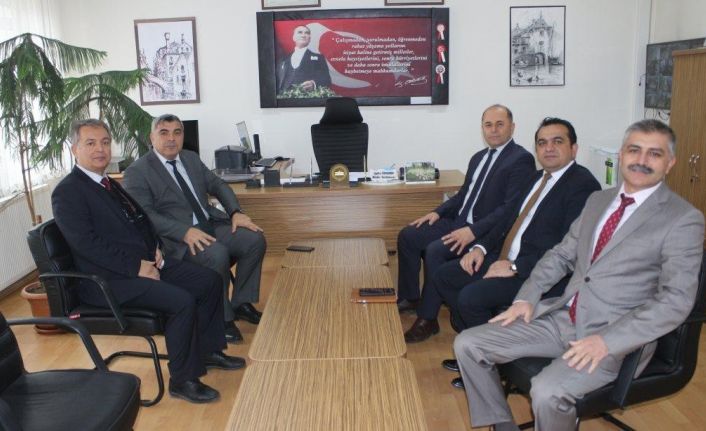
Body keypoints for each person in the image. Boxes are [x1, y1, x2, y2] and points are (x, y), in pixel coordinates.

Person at [454, 119, 704, 431]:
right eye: (634, 150)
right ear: (621, 155)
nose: (641, 160)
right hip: (563, 318)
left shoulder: (683, 219)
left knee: (546, 392)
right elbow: (561, 255)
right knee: (468, 344)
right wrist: (526, 297)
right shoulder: (599, 200)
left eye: (654, 154)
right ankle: (504, 426)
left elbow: (676, 300)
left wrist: (608, 341)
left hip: (614, 338)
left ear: (670, 163)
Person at [52, 119, 245, 404]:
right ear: (74, 149)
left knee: (209, 281)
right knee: (182, 301)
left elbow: (141, 219)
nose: (100, 149)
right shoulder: (68, 192)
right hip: (106, 281)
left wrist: (155, 248)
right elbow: (88, 245)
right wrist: (136, 267)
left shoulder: (108, 183)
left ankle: (208, 351)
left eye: (105, 142)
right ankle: (183, 380)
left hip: (141, 264)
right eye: (90, 143)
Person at [404, 118, 601, 344]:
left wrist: (515, 267)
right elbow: (507, 219)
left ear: (574, 149)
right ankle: (476, 338)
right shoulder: (537, 178)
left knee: (470, 298)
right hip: (504, 256)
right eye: (542, 142)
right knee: (444, 276)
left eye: (557, 141)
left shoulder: (583, 185)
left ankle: (491, 351)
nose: (548, 148)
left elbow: (568, 249)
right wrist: (480, 248)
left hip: (535, 271)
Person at [123, 114, 266, 344]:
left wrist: (235, 212)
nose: (171, 138)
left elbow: (218, 184)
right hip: (176, 239)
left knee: (254, 239)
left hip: (210, 224)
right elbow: (146, 215)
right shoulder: (137, 171)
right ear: (152, 138)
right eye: (164, 133)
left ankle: (241, 302)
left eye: (177, 132)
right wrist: (183, 232)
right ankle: (221, 318)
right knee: (216, 254)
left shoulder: (190, 158)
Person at [396, 105, 535, 322]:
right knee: (409, 235)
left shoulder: (520, 159)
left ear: (512, 127)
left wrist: (473, 231)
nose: (493, 130)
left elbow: (509, 209)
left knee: (435, 251)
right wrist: (437, 212)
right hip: (458, 222)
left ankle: (427, 318)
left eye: (500, 124)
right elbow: (463, 195)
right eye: (488, 125)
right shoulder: (478, 157)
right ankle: (410, 297)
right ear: (482, 128)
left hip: (483, 232)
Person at [277, 25, 332, 94]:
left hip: (306, 97)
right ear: (294, 37)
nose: (303, 35)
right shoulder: (284, 59)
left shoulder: (319, 58)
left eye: (307, 33)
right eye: (300, 32)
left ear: (309, 39)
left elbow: (327, 80)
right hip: (284, 97)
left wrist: (314, 83)